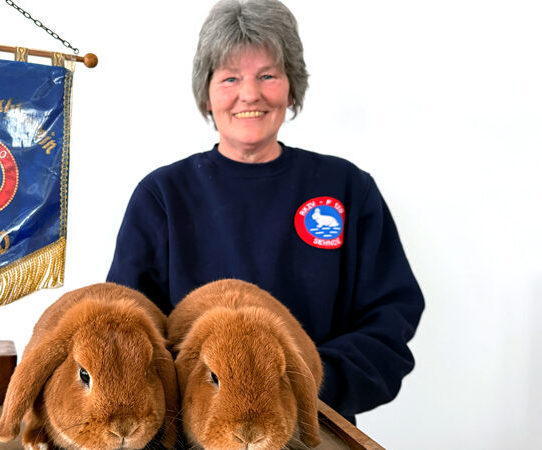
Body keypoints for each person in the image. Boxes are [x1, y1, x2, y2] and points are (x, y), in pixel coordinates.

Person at [106, 0, 424, 423]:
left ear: (291, 86)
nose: (250, 94)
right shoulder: (162, 195)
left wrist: (303, 383)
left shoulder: (347, 188)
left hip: (314, 423)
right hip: (196, 430)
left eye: (268, 75)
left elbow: (389, 320)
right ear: (206, 94)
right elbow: (126, 330)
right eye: (230, 77)